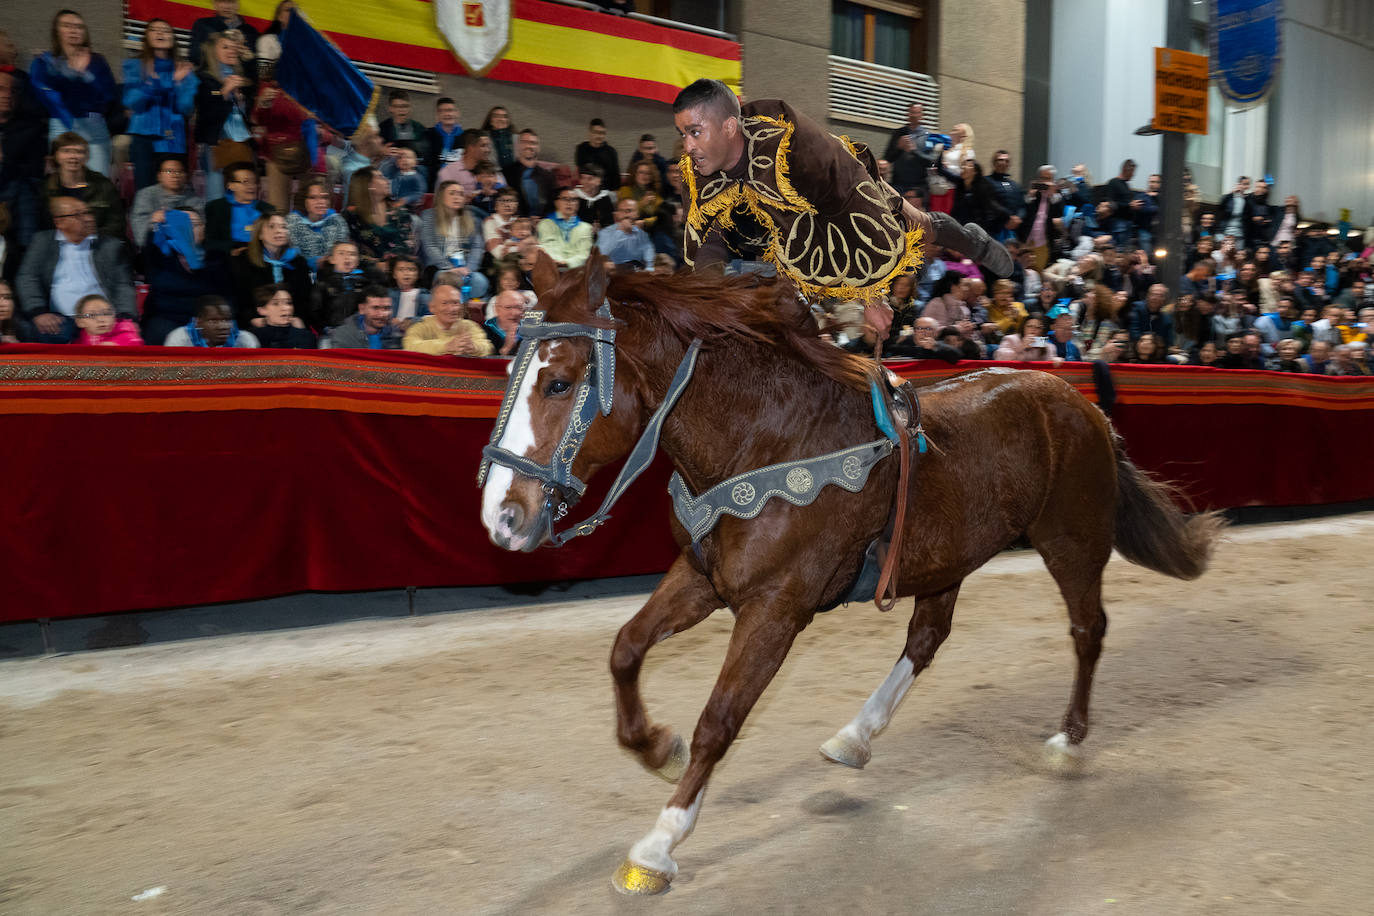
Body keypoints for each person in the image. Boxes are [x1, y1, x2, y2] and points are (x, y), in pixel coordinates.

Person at [672, 79, 1010, 320]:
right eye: (683, 134)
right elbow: (707, 243)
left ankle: (972, 241)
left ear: (730, 126)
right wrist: (706, 301)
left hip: (844, 196)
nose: (687, 146)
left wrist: (872, 297)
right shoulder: (697, 171)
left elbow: (855, 220)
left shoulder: (796, 149)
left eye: (695, 132)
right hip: (766, 237)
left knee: (918, 226)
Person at [17, 197, 134, 342]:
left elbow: (123, 285)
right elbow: (27, 277)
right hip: (59, 318)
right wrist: (38, 311)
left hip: (102, 318)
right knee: (49, 334)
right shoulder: (42, 242)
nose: (88, 219)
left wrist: (126, 317)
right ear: (59, 222)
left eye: (88, 213)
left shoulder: (110, 246)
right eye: (79, 215)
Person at [30, 10, 116, 177]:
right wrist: (68, 73)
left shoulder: (97, 61)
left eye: (79, 27)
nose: (74, 30)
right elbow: (44, 96)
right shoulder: (44, 62)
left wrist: (86, 75)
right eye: (67, 26)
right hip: (62, 127)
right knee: (65, 184)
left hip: (94, 127)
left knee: (98, 185)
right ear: (57, 31)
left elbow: (108, 96)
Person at [123, 19, 198, 191]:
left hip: (172, 136)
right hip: (143, 136)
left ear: (173, 39)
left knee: (172, 191)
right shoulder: (135, 65)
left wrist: (178, 84)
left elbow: (186, 107)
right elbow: (133, 102)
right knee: (144, 190)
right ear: (147, 36)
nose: (160, 33)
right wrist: (170, 82)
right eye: (154, 29)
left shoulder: (184, 69)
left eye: (165, 30)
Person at [142, 208, 231, 345]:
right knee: (159, 332)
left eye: (194, 224)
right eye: (182, 225)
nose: (189, 229)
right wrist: (155, 225)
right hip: (168, 317)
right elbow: (149, 251)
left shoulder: (217, 256)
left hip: (210, 317)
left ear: (203, 228)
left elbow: (229, 295)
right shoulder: (160, 255)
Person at [194, 30, 255, 202]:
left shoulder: (242, 79)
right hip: (216, 141)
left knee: (241, 193)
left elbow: (265, 71)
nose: (231, 50)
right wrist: (224, 92)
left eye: (233, 47)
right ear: (213, 52)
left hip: (241, 142)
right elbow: (206, 110)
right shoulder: (204, 78)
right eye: (225, 47)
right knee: (216, 195)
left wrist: (241, 100)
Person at [230, 213, 311, 326]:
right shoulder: (243, 261)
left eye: (283, 227)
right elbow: (239, 299)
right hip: (256, 320)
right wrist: (252, 319)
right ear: (260, 234)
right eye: (271, 226)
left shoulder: (298, 262)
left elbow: (304, 299)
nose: (279, 231)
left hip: (290, 321)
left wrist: (298, 318)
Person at [42, 132, 123, 240]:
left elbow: (117, 224)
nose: (73, 156)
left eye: (79, 152)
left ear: (87, 156)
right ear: (56, 156)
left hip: (98, 244)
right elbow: (42, 227)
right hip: (57, 246)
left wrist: (88, 237)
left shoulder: (103, 184)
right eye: (66, 151)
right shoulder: (46, 188)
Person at [0, 67, 48, 251]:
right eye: (1, 89)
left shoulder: (31, 128)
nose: (7, 95)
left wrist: (5, 160)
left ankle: (24, 253)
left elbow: (35, 171)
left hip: (19, 192)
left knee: (23, 189)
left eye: (12, 91)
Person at [419, 180, 488, 296]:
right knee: (446, 280)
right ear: (441, 196)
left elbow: (477, 247)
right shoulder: (428, 216)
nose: (457, 197)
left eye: (461, 194)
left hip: (465, 266)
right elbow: (429, 246)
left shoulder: (472, 218)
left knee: (479, 281)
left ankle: (466, 308)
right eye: (452, 193)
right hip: (439, 266)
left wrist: (468, 269)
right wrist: (449, 268)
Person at [130, 155, 204, 251]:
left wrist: (165, 217)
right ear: (159, 176)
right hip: (153, 251)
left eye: (180, 172)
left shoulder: (194, 200)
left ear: (186, 177)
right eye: (169, 171)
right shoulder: (145, 195)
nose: (175, 175)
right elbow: (140, 235)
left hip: (187, 251)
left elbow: (199, 235)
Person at [345, 166, 417, 261]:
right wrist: (375, 264)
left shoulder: (400, 211)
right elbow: (349, 250)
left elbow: (408, 245)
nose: (387, 181)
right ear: (368, 185)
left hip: (397, 267)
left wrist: (390, 264)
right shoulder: (352, 215)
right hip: (367, 269)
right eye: (381, 177)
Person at [402, 281, 493, 356]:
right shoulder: (421, 326)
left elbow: (488, 347)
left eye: (455, 303)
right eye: (445, 303)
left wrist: (473, 347)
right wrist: (447, 346)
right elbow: (410, 346)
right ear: (432, 307)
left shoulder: (469, 326)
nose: (451, 309)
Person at [309, 239, 382, 331]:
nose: (347, 257)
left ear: (357, 261)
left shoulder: (367, 284)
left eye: (352, 254)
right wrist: (325, 329)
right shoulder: (323, 285)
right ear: (332, 259)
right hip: (331, 333)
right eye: (341, 253)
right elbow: (314, 312)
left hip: (360, 333)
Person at [205, 161, 272, 256]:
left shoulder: (267, 209)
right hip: (229, 257)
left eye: (254, 182)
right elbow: (210, 242)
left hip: (261, 255)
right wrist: (231, 251)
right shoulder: (216, 207)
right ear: (231, 185)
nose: (251, 186)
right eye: (245, 182)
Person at [286, 176, 348, 270]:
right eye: (313, 197)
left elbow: (343, 251)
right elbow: (292, 253)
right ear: (304, 201)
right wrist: (314, 262)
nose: (320, 202)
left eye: (324, 197)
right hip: (301, 273)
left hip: (332, 273)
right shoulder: (293, 221)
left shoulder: (337, 221)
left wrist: (328, 261)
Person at [882, 101, 935, 197]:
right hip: (898, 185)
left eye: (917, 113)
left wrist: (915, 151)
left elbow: (930, 161)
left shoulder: (928, 136)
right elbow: (887, 158)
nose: (913, 115)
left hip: (918, 187)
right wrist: (898, 147)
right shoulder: (898, 133)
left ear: (922, 116)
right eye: (911, 112)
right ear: (907, 114)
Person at [164, 294, 260, 347]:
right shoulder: (180, 339)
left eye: (227, 320)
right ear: (197, 323)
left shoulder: (245, 340)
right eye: (214, 321)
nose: (223, 326)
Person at [502, 128, 556, 217]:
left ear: (538, 148)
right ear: (518, 146)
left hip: (544, 223)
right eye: (525, 142)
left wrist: (542, 219)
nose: (529, 146)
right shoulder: (506, 173)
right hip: (516, 222)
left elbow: (553, 204)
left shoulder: (548, 176)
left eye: (533, 143)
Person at [326, 285, 401, 349]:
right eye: (375, 308)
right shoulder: (343, 335)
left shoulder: (396, 335)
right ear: (362, 309)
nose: (381, 314)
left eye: (386, 308)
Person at [189, 0, 260, 66]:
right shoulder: (202, 25)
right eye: (222, 1)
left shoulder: (251, 31)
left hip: (241, 77)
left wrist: (246, 56)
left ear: (238, 4)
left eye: (231, 1)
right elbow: (194, 56)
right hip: (210, 76)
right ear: (215, 4)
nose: (227, 6)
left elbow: (254, 66)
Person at [536, 189, 593, 269]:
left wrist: (568, 263)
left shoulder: (585, 227)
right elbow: (547, 246)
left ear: (577, 204)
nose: (569, 203)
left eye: (573, 200)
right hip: (552, 267)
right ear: (556, 203)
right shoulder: (545, 224)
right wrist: (558, 262)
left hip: (576, 270)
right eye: (564, 199)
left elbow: (584, 253)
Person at [249, 283, 315, 348]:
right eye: (276, 303)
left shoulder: (307, 337)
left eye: (289, 303)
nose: (286, 308)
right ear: (261, 310)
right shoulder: (251, 338)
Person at [598, 198, 655, 269]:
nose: (626, 214)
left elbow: (649, 261)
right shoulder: (605, 232)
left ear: (637, 214)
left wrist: (648, 270)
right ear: (617, 214)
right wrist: (620, 231)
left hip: (636, 274)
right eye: (621, 211)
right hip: (614, 274)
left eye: (629, 210)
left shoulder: (643, 235)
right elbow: (601, 256)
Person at [380, 89, 430, 167]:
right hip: (391, 165)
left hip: (414, 167)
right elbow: (373, 153)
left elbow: (426, 153)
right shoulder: (382, 129)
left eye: (405, 106)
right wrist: (382, 151)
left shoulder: (419, 128)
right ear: (390, 108)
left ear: (410, 108)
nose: (401, 110)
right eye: (397, 106)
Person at [422, 97, 464, 185]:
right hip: (434, 182)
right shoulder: (427, 134)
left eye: (450, 110)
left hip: (459, 182)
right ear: (437, 115)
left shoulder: (465, 137)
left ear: (457, 113)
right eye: (443, 111)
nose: (447, 114)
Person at [74, 293, 143, 346]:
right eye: (92, 315)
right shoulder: (78, 342)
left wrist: (115, 345)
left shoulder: (126, 331)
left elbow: (133, 340)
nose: (101, 319)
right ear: (80, 322)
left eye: (106, 314)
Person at [575, 118, 621, 192]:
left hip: (606, 190)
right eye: (596, 132)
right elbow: (579, 171)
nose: (599, 136)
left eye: (602, 133)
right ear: (590, 132)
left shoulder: (611, 151)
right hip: (587, 188)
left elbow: (615, 175)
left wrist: (615, 192)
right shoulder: (581, 148)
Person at [388, 254, 429, 326]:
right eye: (401, 269)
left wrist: (412, 321)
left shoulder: (425, 296)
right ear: (394, 274)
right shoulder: (387, 294)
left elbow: (431, 318)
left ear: (418, 274)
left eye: (411, 269)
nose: (406, 273)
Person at [483, 288, 527, 355]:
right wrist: (506, 348)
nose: (514, 313)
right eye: (508, 307)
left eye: (519, 307)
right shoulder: (484, 331)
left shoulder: (531, 330)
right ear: (497, 309)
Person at [574, 163, 616, 230]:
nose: (585, 182)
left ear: (599, 181)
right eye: (583, 178)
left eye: (590, 179)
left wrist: (600, 228)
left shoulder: (605, 198)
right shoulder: (575, 196)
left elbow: (609, 223)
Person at [480, 104, 516, 169]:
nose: (501, 119)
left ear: (508, 121)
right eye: (496, 116)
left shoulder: (517, 138)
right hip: (492, 175)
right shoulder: (482, 138)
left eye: (504, 117)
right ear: (490, 121)